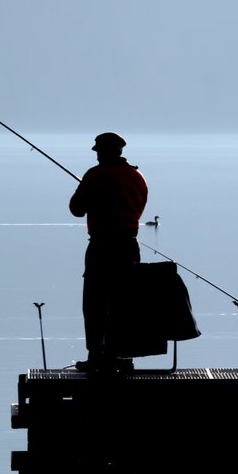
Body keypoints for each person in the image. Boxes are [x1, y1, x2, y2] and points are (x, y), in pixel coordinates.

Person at [69, 132, 148, 372]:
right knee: (125, 302)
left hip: (102, 246)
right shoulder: (137, 177)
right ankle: (124, 357)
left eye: (99, 151)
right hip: (129, 246)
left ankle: (96, 357)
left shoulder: (94, 176)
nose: (97, 155)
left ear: (103, 152)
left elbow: (76, 209)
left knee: (95, 302)